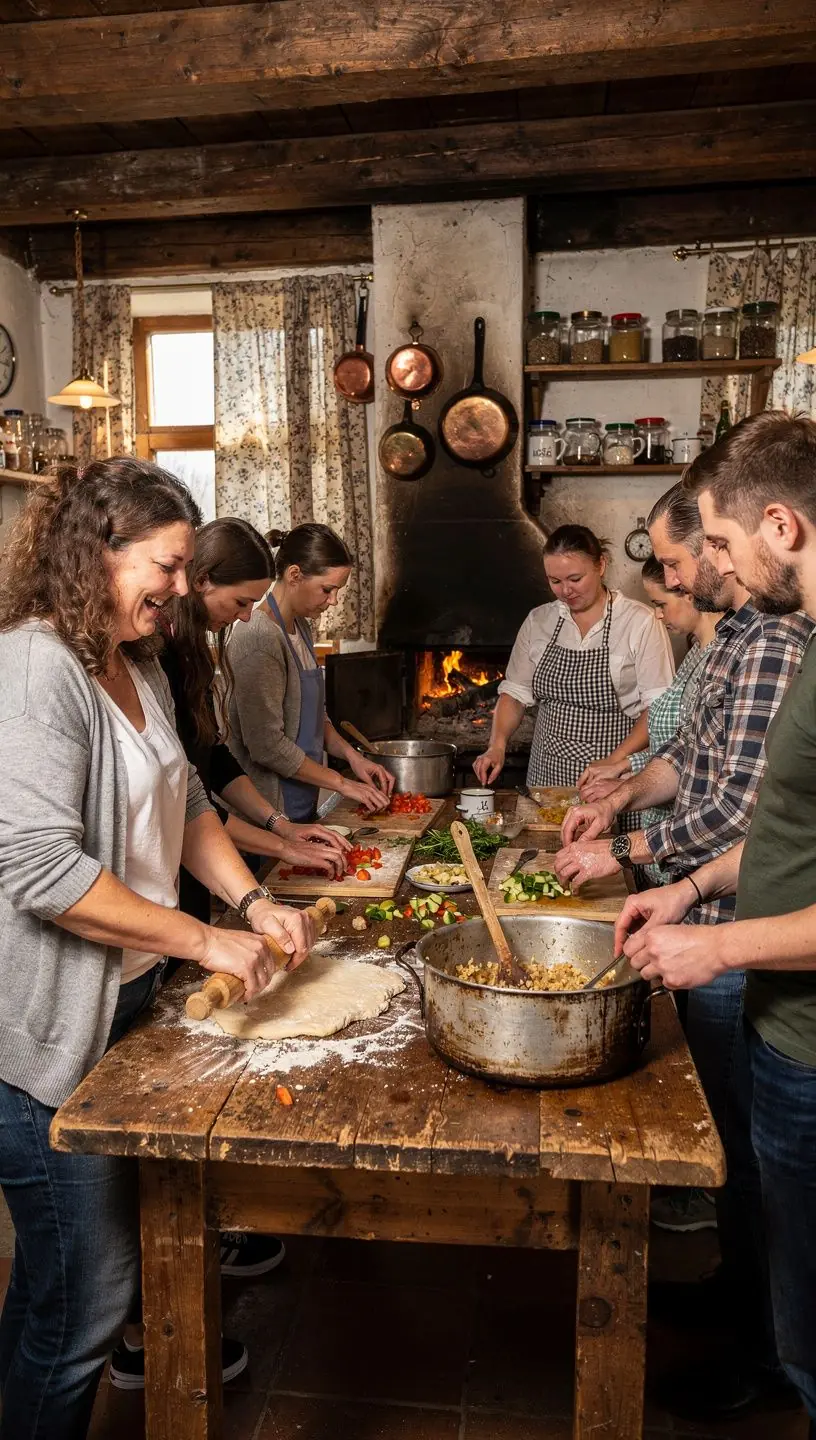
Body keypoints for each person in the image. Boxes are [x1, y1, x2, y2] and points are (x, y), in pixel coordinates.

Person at [0, 458, 314, 1439]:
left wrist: (252, 900)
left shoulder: (129, 662)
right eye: (168, 566)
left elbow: (181, 805)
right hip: (45, 1046)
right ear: (97, 551)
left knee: (78, 1286)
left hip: (125, 1008)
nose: (182, 589)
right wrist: (202, 938)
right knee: (84, 1308)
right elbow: (40, 870)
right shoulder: (34, 664)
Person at [557, 473, 813, 1423]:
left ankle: (766, 1354)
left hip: (739, 946)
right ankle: (743, 1310)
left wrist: (629, 851)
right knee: (743, 1160)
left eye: (692, 550)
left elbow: (742, 812)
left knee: (754, 1163)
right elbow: (695, 770)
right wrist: (628, 802)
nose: (686, 570)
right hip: (708, 917)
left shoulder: (776, 643)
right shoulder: (739, 639)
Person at [158, 517, 350, 931]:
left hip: (197, 843)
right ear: (202, 581)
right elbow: (195, 798)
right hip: (173, 855)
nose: (246, 616)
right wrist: (282, 842)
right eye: (241, 602)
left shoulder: (191, 653)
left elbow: (214, 758)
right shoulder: (163, 657)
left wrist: (281, 828)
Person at [473, 524, 673, 790]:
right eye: (555, 581)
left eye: (575, 579)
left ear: (600, 565)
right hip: (546, 776)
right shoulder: (538, 621)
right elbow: (514, 694)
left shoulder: (640, 622)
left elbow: (658, 710)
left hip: (609, 779)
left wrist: (614, 761)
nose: (565, 591)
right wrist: (496, 746)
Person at [228, 524, 393, 822]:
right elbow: (266, 747)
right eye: (327, 589)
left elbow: (315, 718)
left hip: (301, 801)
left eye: (338, 591)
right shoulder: (258, 636)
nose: (333, 601)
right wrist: (342, 784)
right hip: (269, 812)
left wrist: (354, 758)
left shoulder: (301, 627)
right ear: (294, 575)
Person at [579, 554, 723, 889]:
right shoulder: (695, 653)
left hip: (690, 857)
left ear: (689, 591)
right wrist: (626, 770)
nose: (657, 613)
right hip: (661, 845)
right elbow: (683, 745)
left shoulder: (719, 660)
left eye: (660, 602)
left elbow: (709, 771)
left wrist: (624, 783)